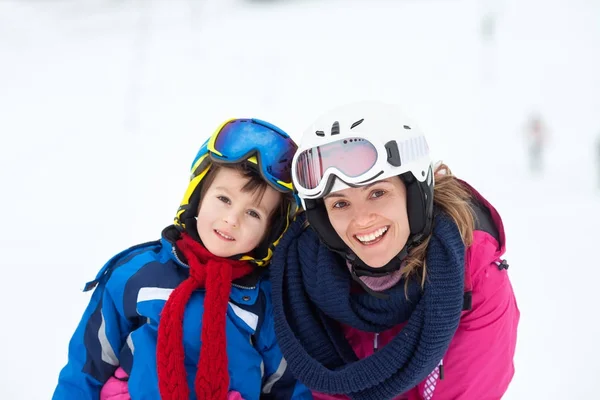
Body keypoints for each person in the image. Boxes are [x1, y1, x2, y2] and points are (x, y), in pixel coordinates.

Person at [271, 102, 520, 400]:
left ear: (414, 194)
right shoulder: (307, 277)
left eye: (377, 193)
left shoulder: (473, 272)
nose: (361, 220)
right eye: (340, 203)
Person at [53, 118, 312, 400]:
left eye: (253, 214)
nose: (231, 219)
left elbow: (287, 389)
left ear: (271, 232)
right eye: (223, 199)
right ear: (198, 196)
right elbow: (86, 368)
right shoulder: (136, 276)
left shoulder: (269, 302)